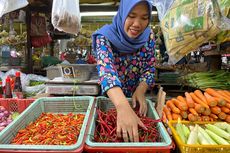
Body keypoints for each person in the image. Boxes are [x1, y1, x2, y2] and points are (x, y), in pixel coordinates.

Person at [92, 0, 155, 142]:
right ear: (122, 13)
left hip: (135, 104)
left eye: (144, 18)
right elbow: (106, 73)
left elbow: (149, 69)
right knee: (109, 134)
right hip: (112, 102)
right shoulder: (104, 37)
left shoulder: (148, 36)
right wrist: (122, 107)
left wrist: (141, 89)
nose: (137, 24)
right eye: (131, 16)